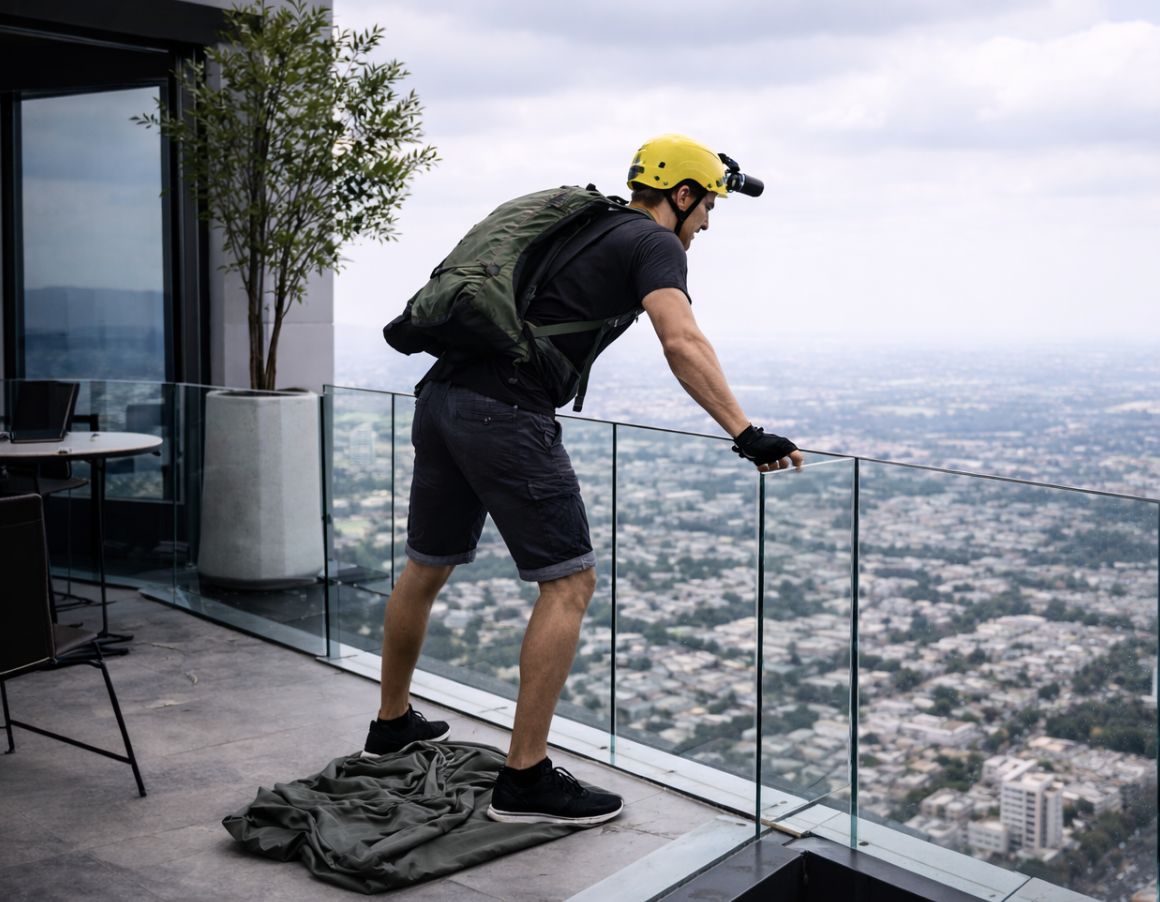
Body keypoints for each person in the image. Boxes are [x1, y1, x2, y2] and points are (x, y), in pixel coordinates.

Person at [362, 134, 804, 826]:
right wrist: (745, 433)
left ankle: (390, 723)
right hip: (505, 410)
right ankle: (526, 779)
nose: (709, 224)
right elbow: (681, 339)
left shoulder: (584, 223)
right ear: (681, 196)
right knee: (568, 583)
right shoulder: (653, 244)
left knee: (424, 566)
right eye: (708, 207)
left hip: (443, 397)